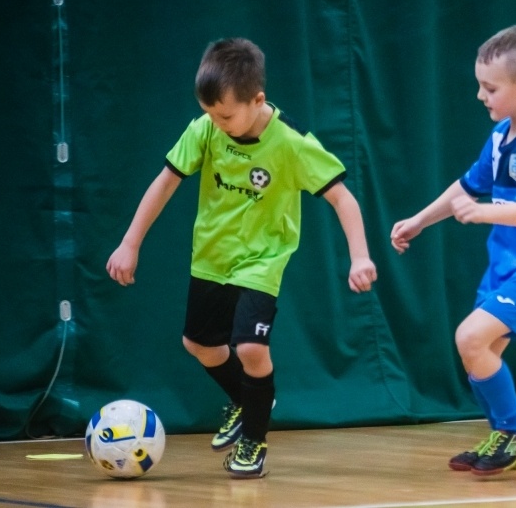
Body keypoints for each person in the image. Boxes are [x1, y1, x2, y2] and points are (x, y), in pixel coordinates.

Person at [106, 38, 377, 479]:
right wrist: (130, 243)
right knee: (198, 344)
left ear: (258, 100)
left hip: (262, 260)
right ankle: (248, 398)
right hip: (211, 256)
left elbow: (343, 200)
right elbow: (165, 182)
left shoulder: (290, 143)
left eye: (226, 115)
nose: (216, 122)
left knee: (251, 346)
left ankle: (253, 441)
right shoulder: (206, 129)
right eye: (209, 113)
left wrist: (359, 257)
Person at [390, 24, 516, 476]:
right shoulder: (499, 138)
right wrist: (419, 220)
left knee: (469, 338)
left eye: (489, 88)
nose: (480, 96)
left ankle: (513, 434)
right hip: (505, 268)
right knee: (480, 351)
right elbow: (467, 186)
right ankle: (503, 435)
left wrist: (485, 211)